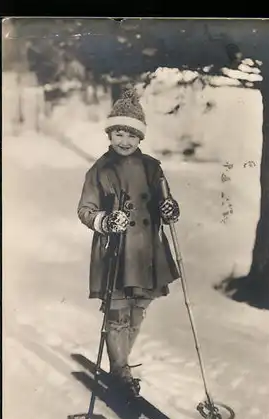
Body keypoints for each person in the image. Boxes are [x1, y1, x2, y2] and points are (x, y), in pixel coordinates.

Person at [77, 87, 180, 397]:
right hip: (116, 252)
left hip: (147, 251)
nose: (125, 141)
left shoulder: (152, 168)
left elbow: (167, 201)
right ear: (111, 134)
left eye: (132, 135)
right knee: (118, 312)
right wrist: (105, 221)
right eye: (119, 133)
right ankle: (120, 370)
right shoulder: (100, 170)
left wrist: (170, 208)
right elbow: (85, 210)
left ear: (140, 138)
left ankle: (120, 363)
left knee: (138, 309)